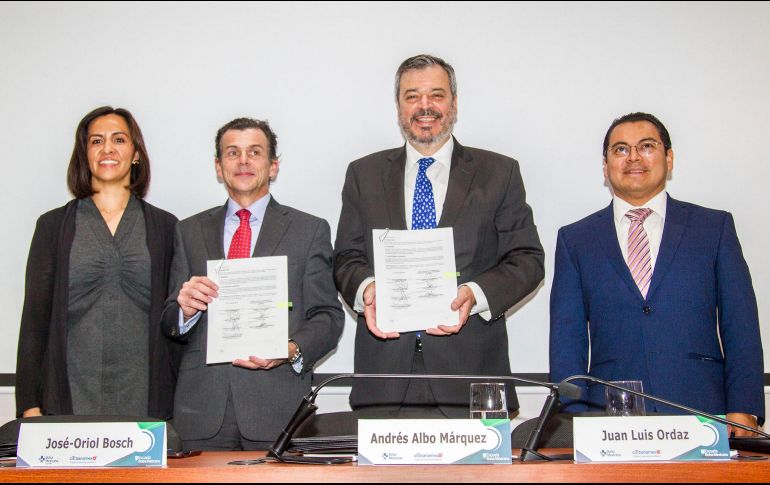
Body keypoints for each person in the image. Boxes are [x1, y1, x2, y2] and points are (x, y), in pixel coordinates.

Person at [333, 54, 545, 417]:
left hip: (473, 375)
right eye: (412, 96)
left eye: (436, 95)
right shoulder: (363, 174)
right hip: (384, 379)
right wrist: (368, 289)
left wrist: (473, 295)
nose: (425, 106)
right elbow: (346, 258)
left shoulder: (499, 172)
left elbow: (527, 259)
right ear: (398, 106)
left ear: (455, 103)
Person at [549, 112, 764, 435]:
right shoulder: (576, 239)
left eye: (646, 146)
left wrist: (744, 407)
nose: (633, 157)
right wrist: (573, 421)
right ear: (605, 166)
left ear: (669, 157)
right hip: (608, 420)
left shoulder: (713, 228)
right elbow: (567, 340)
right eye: (620, 150)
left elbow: (741, 324)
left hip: (704, 411)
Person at [161, 117, 344, 450]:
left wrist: (290, 350)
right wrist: (184, 310)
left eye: (254, 152)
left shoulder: (309, 230)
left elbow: (328, 317)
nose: (243, 161)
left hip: (277, 408)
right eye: (232, 153)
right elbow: (171, 319)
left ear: (272, 166)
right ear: (219, 167)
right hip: (201, 409)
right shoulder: (188, 231)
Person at [16, 106, 179, 419]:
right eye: (96, 141)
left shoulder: (166, 228)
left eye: (119, 139)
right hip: (68, 398)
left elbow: (177, 321)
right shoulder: (53, 227)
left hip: (146, 401)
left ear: (135, 154)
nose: (107, 148)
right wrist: (28, 404)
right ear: (84, 154)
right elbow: (34, 320)